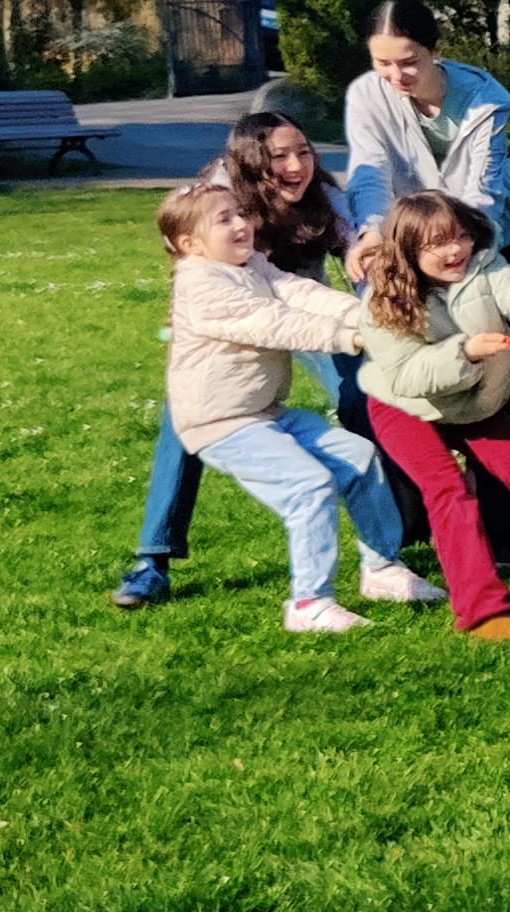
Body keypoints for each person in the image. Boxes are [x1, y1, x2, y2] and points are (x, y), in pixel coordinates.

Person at [111, 111, 412, 609]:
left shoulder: (324, 197)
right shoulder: (219, 194)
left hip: (298, 298)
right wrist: (347, 333)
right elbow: (197, 263)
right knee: (186, 417)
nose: (296, 166)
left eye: (303, 152)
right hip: (236, 317)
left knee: (361, 393)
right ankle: (152, 561)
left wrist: (374, 312)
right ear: (251, 163)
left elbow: (356, 257)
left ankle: (391, 532)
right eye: (279, 157)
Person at [153, 177, 425, 634]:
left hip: (265, 413)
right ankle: (309, 603)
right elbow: (271, 323)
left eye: (240, 214)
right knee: (309, 488)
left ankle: (381, 569)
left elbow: (297, 292)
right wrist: (348, 338)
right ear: (189, 243)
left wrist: (369, 316)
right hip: (221, 422)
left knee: (358, 458)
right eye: (225, 220)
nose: (242, 225)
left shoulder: (249, 263)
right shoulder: (200, 283)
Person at [354, 191, 510, 644]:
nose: (455, 251)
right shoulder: (380, 303)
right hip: (404, 406)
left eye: (461, 236)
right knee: (448, 492)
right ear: (407, 250)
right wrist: (464, 351)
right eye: (438, 243)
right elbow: (407, 375)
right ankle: (484, 614)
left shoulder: (487, 270)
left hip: (474, 405)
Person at [340, 0, 510, 266]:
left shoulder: (485, 99)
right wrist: (372, 232)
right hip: (414, 240)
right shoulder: (365, 95)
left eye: (409, 61)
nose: (396, 75)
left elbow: (484, 188)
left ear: (436, 50)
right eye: (382, 63)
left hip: (487, 232)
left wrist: (459, 244)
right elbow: (370, 169)